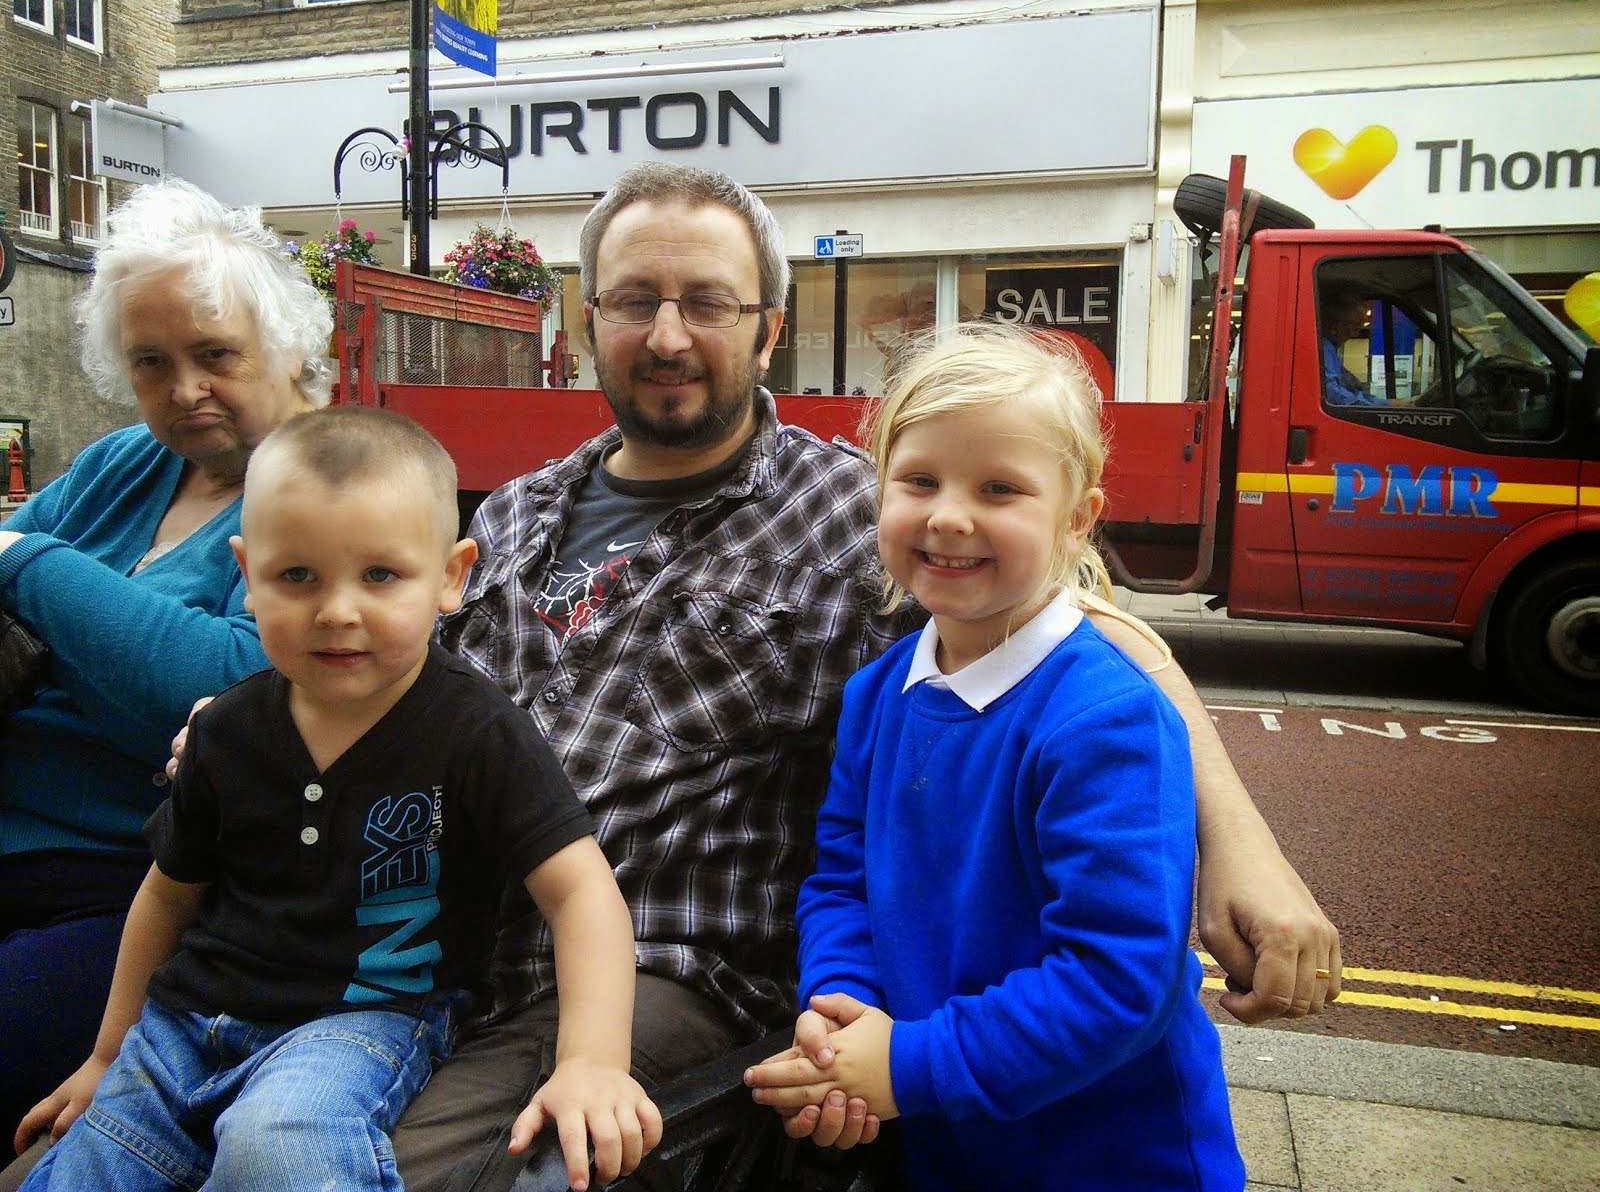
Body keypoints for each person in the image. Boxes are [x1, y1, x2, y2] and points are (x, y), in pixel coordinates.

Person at [376, 161, 1337, 1188]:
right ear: (586, 316)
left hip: (663, 976)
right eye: (633, 300)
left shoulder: (854, 514)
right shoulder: (512, 514)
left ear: (768, 326)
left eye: (706, 302)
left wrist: (1241, 843)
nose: (665, 335)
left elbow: (1086, 627)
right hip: (432, 947)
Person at [15, 407, 660, 1192]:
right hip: (184, 1024)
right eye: (297, 576)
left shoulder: (474, 730)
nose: (338, 611)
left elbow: (581, 891)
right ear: (246, 577)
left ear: (453, 575)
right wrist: (107, 1054)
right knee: (85, 1169)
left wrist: (592, 1061)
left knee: (279, 1145)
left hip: (362, 1022)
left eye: (380, 576)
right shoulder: (229, 728)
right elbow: (166, 895)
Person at [743, 323, 1244, 1189]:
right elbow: (842, 879)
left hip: (1115, 1157)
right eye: (920, 480)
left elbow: (1118, 976)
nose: (948, 515)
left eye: (1001, 488)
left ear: (1076, 518)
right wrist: (844, 1002)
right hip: (951, 1141)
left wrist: (905, 1067)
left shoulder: (1104, 721)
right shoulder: (878, 692)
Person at [0, 177, 332, 1147]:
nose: (184, 389)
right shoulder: (120, 465)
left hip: (135, 895)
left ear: (290, 343)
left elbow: (225, 684)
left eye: (215, 354)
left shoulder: (328, 482)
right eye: (151, 362)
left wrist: (31, 567)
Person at [1321, 288, 1383, 406]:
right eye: (1355, 329)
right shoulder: (1323, 350)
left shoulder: (1330, 351)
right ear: (1335, 327)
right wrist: (1377, 405)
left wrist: (1384, 403)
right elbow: (1332, 394)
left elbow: (1351, 384)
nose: (1355, 335)